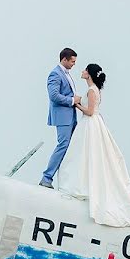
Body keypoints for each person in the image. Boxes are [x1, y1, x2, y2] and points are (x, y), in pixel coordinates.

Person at [58, 64, 130, 227]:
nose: (82, 71)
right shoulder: (94, 90)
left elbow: (90, 111)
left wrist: (76, 104)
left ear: (89, 74)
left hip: (90, 124)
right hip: (92, 124)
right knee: (86, 155)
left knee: (86, 154)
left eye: (85, 69)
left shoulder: (92, 90)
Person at [40, 48, 82, 188]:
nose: (74, 64)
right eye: (72, 61)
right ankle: (47, 178)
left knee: (71, 147)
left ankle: (65, 180)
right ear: (64, 59)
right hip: (63, 117)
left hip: (71, 116)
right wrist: (72, 100)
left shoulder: (66, 74)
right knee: (63, 145)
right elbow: (54, 96)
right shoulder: (55, 74)